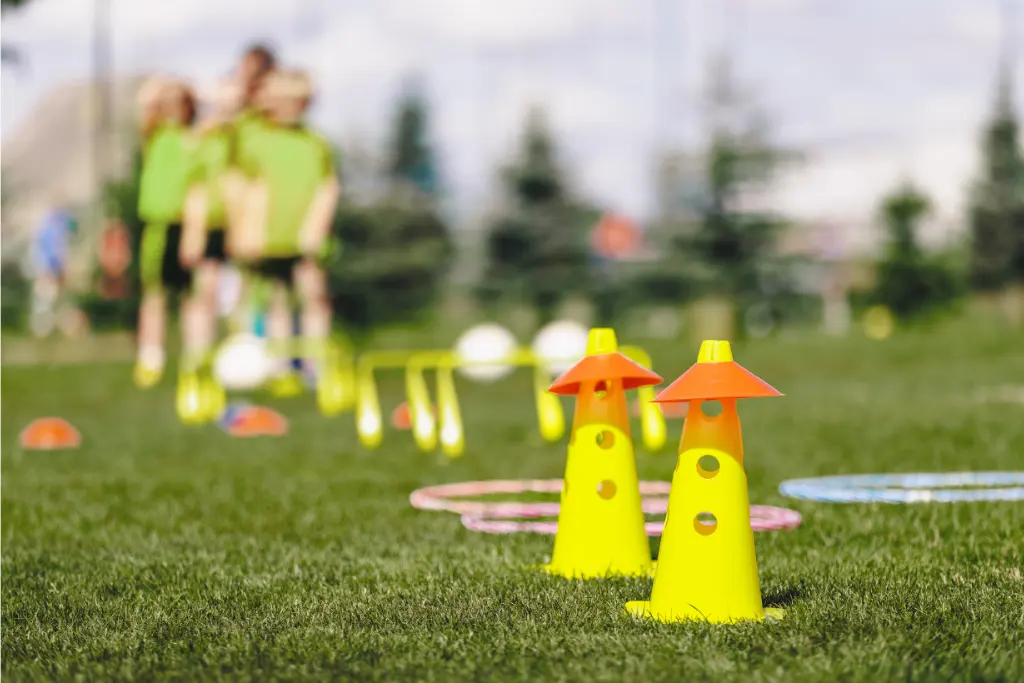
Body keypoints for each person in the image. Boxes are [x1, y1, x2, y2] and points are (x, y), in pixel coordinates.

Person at [234, 68, 340, 397]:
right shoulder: (256, 141)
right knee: (276, 300)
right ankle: (280, 366)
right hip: (269, 236)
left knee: (314, 297)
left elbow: (327, 186)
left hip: (307, 235)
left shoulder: (316, 142)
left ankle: (316, 365)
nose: (291, 107)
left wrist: (316, 227)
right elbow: (249, 187)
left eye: (299, 101)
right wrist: (248, 230)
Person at [133, 77, 203, 391]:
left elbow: (198, 187)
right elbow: (144, 100)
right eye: (168, 103)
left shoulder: (195, 140)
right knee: (154, 295)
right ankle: (151, 358)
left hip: (185, 225)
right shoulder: (155, 135)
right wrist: (166, 86)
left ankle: (194, 358)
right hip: (157, 226)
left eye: (180, 102)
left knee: (192, 297)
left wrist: (194, 230)